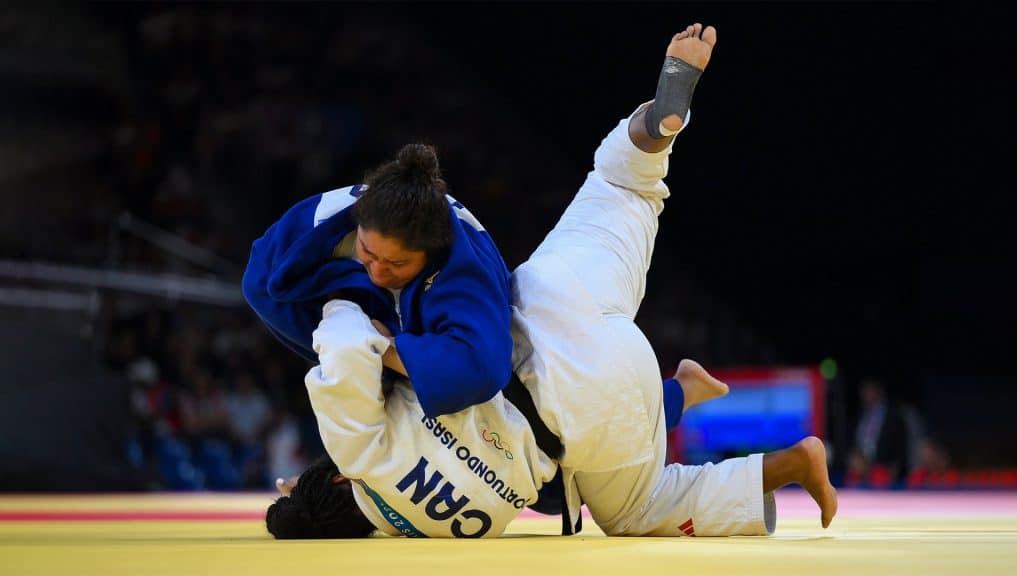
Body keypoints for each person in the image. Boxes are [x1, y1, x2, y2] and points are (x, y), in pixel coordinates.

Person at [265, 22, 838, 539]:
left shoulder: (444, 531)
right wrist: (355, 319)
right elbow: (343, 346)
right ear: (338, 482)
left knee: (636, 510)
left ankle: (764, 448)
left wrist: (309, 505)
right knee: (620, 190)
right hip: (548, 307)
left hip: (596, 407)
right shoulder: (359, 452)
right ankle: (652, 130)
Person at [242, 130, 514, 419]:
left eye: (396, 264)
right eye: (367, 253)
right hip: (376, 314)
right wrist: (340, 332)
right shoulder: (324, 218)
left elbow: (481, 369)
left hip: (442, 331)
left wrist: (381, 347)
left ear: (431, 251)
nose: (379, 273)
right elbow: (258, 281)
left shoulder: (465, 268)